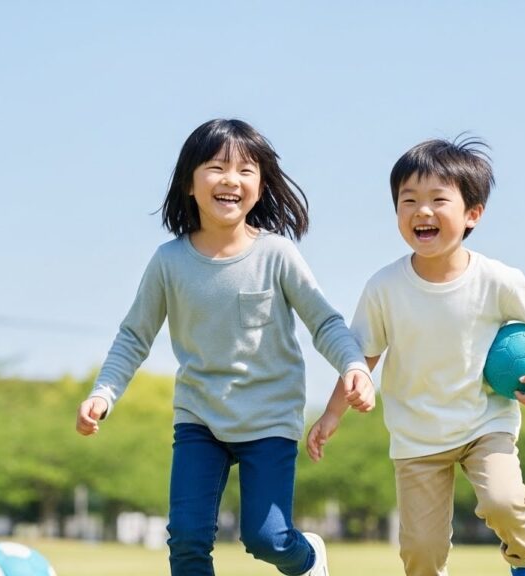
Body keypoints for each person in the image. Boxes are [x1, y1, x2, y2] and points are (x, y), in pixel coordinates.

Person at [76, 118, 375, 576]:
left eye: (245, 170)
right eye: (216, 167)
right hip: (199, 418)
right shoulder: (169, 262)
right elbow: (134, 336)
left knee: (267, 538)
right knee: (188, 539)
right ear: (188, 182)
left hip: (270, 416)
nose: (230, 179)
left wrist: (354, 365)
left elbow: (325, 322)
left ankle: (308, 557)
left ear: (260, 185)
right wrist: (103, 393)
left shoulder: (277, 254)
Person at [307, 137, 525, 576]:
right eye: (408, 200)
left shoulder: (496, 279)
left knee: (503, 502)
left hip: (485, 422)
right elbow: (361, 357)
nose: (421, 211)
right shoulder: (384, 287)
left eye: (437, 200)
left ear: (472, 213)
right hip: (417, 437)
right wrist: (333, 414)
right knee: (420, 551)